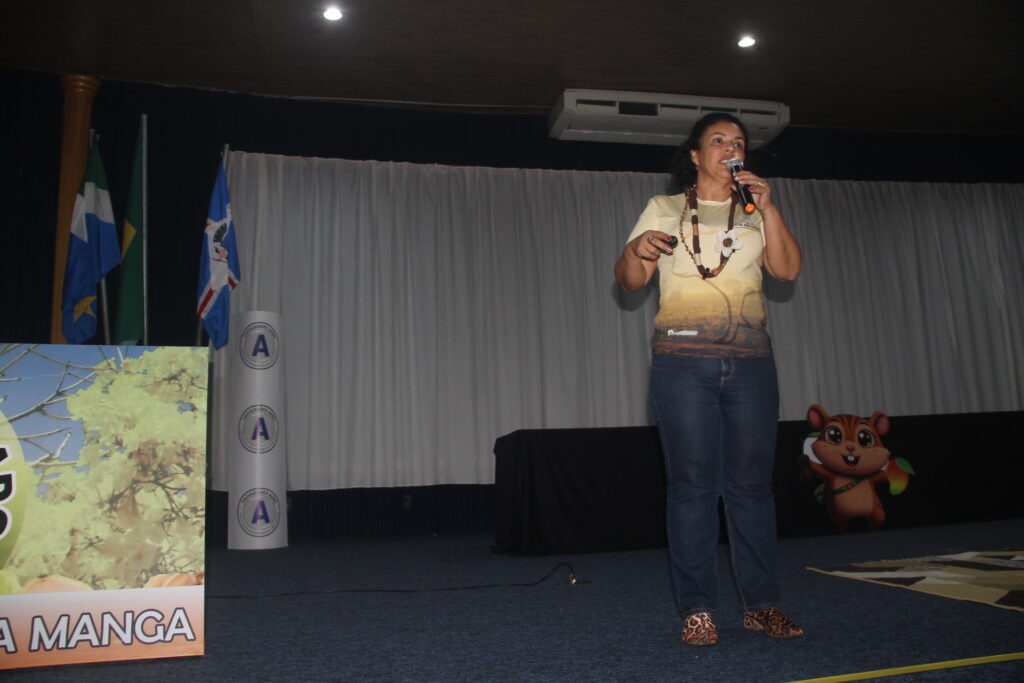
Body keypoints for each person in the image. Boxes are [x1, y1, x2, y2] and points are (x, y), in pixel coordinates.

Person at [614, 112, 804, 646]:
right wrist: (636, 251)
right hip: (682, 364)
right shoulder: (665, 208)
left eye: (738, 142)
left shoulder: (754, 208)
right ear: (695, 156)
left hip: (750, 365)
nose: (729, 147)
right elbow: (629, 283)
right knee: (693, 488)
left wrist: (768, 209)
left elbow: (787, 271)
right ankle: (698, 609)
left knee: (751, 489)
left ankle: (762, 605)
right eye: (717, 140)